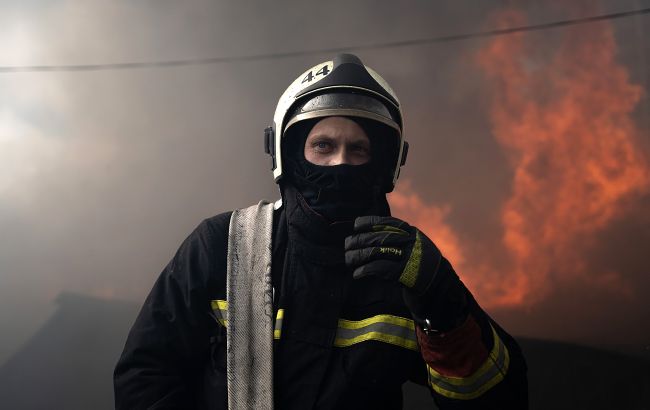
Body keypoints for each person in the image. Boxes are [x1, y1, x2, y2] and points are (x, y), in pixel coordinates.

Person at [114, 54, 528, 410]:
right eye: (324, 146)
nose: (340, 163)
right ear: (289, 154)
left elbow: (496, 400)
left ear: (385, 163)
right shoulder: (222, 246)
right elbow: (146, 373)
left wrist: (443, 305)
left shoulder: (406, 268)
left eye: (358, 149)